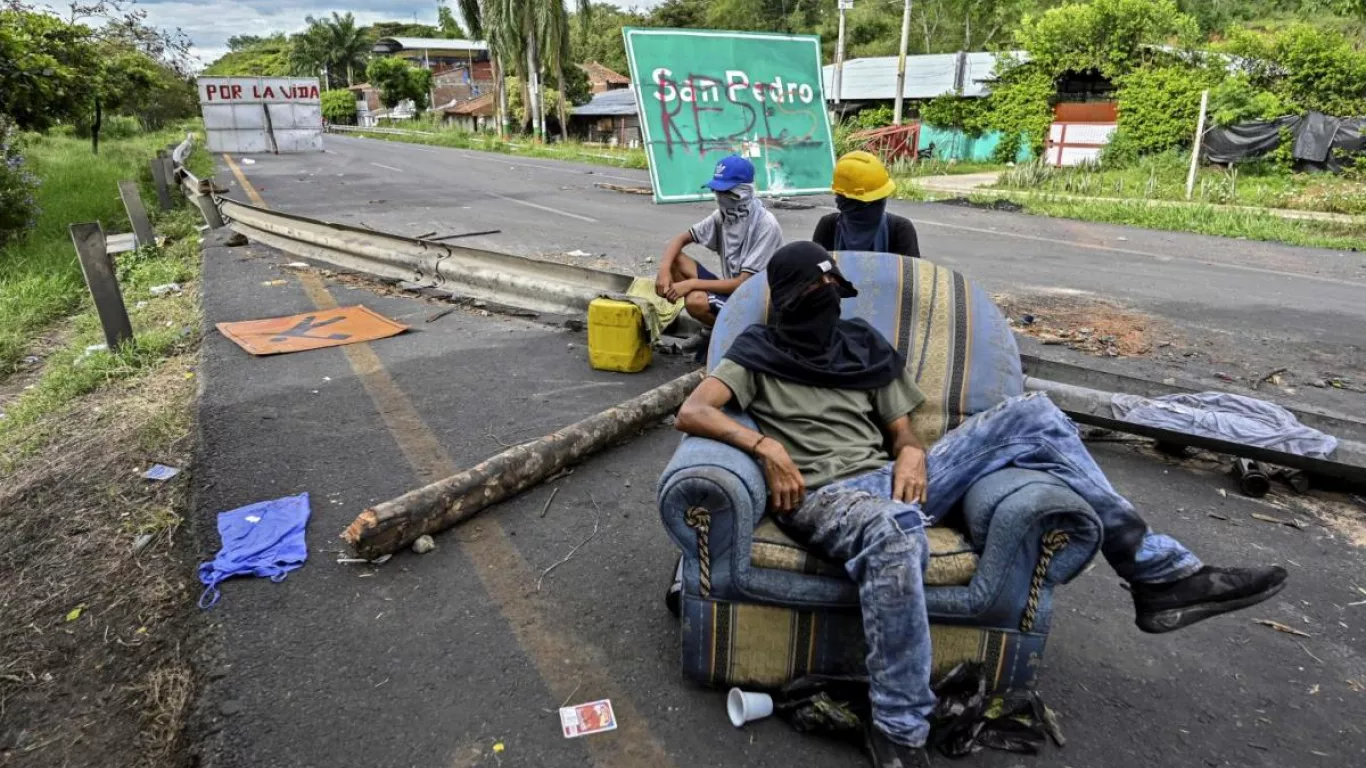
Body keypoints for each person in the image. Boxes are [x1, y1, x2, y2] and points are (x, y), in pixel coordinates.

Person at [674, 241, 1288, 768]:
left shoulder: (861, 344)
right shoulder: (754, 352)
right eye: (814, 291)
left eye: (834, 290)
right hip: (822, 496)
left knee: (1035, 414)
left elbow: (902, 430)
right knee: (893, 532)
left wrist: (913, 450)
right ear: (785, 298)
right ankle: (898, 727)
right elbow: (693, 410)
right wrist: (763, 445)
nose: (826, 302)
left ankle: (1159, 573)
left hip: (896, 478)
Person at [656, 155, 783, 327]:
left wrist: (690, 284)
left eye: (726, 192)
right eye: (717, 191)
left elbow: (743, 283)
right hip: (733, 292)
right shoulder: (722, 217)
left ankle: (730, 337)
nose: (720, 197)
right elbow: (681, 238)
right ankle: (713, 329)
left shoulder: (765, 225)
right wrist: (664, 270)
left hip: (755, 304)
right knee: (674, 260)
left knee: (696, 301)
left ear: (744, 191)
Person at [812, 151, 921, 259]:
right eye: (871, 201)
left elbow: (911, 274)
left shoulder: (900, 230)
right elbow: (814, 272)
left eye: (880, 199)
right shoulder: (829, 228)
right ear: (843, 202)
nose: (878, 205)